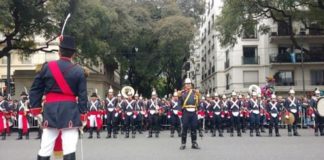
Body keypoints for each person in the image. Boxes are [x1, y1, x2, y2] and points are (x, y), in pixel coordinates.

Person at [29, 35, 88, 160]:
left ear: (59, 51)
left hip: (50, 110)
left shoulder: (46, 67)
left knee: (45, 147)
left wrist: (36, 109)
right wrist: (83, 116)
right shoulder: (79, 71)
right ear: (73, 54)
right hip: (70, 111)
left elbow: (35, 90)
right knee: (69, 147)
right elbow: (83, 96)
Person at [179, 78, 200, 150]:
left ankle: (194, 143)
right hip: (185, 111)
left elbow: (198, 103)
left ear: (191, 85)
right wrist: (179, 111)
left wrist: (199, 111)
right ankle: (183, 143)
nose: (188, 85)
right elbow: (180, 103)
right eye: (186, 84)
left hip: (194, 111)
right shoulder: (182, 93)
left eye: (189, 84)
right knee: (184, 127)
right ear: (185, 85)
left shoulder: (195, 93)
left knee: (194, 127)